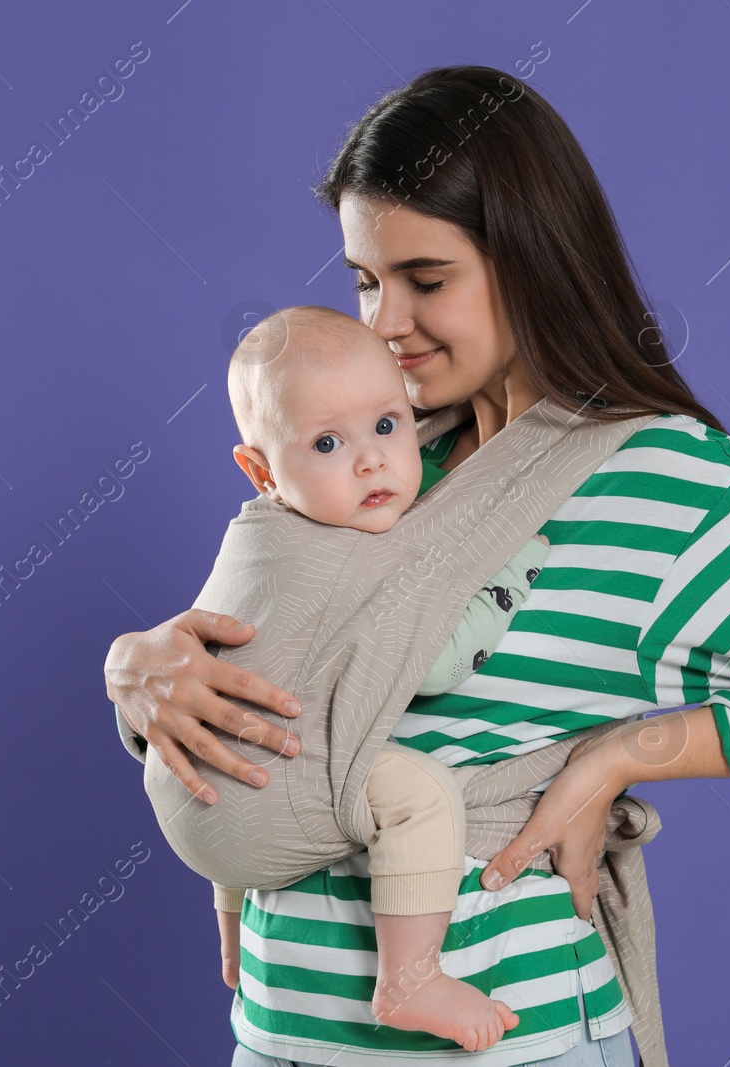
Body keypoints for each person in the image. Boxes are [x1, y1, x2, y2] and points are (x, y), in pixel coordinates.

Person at [107, 65, 730, 1067]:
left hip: (505, 1039)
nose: (384, 321)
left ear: (529, 258)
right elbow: (274, 683)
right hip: (284, 1028)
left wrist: (618, 755)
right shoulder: (376, 454)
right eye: (362, 278)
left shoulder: (660, 478)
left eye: (425, 279)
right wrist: (138, 673)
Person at [208, 302, 553, 1050]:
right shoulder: (333, 553)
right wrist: (511, 569)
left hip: (223, 785)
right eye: (328, 442)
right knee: (420, 792)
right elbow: (429, 661)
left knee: (228, 762)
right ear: (262, 470)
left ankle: (233, 928)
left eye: (388, 426)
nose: (370, 459)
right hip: (287, 767)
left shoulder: (257, 538)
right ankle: (410, 978)